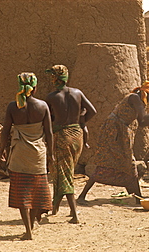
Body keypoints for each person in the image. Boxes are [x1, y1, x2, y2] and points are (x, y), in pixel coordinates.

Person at [77, 81, 149, 204]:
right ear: (145, 93)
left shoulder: (139, 101)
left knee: (125, 163)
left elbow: (142, 123)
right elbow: (143, 119)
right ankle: (138, 198)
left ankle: (138, 198)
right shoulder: (134, 98)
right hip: (114, 131)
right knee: (113, 162)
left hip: (121, 131)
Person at [0, 72, 54, 240]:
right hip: (38, 153)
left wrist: (1, 150)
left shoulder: (12, 107)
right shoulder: (43, 106)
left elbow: (5, 131)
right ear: (35, 88)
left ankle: (28, 230)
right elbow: (49, 133)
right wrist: (51, 154)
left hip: (19, 153)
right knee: (37, 190)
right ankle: (31, 225)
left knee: (22, 191)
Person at [45, 64, 97, 223]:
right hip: (77, 137)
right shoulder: (77, 93)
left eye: (52, 76)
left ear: (55, 78)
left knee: (64, 174)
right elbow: (92, 111)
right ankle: (55, 207)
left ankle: (74, 214)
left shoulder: (52, 97)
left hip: (62, 137)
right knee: (64, 171)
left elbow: (47, 120)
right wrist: (81, 123)